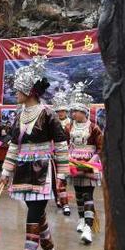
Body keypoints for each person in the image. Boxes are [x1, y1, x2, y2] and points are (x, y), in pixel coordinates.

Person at [0, 57, 69, 250]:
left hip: (41, 170)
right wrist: (7, 170)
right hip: (23, 169)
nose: (14, 92)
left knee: (32, 216)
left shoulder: (47, 113)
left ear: (29, 90)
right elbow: (14, 146)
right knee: (37, 216)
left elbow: (60, 145)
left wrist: (62, 174)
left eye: (17, 89)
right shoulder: (20, 114)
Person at [66, 83, 104, 244]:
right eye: (73, 111)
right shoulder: (69, 127)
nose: (74, 114)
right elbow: (65, 145)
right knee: (79, 195)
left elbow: (101, 148)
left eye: (77, 111)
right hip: (74, 164)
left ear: (84, 112)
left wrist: (91, 162)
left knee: (88, 195)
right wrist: (68, 158)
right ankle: (81, 219)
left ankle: (88, 227)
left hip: (89, 165)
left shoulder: (94, 128)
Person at [51, 87, 72, 216]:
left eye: (62, 111)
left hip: (67, 154)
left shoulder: (71, 124)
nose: (60, 113)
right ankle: (59, 199)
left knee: (62, 180)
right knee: (55, 179)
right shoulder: (52, 123)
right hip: (53, 154)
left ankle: (65, 204)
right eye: (58, 111)